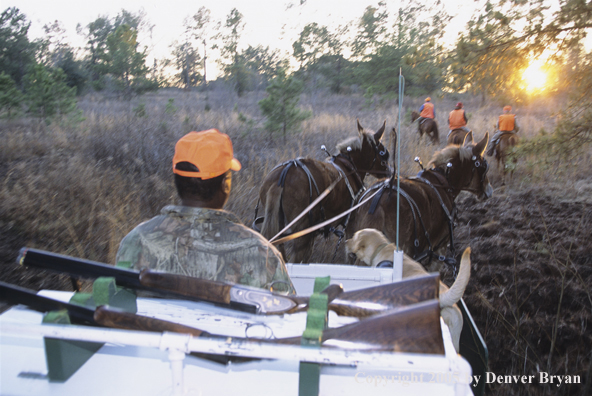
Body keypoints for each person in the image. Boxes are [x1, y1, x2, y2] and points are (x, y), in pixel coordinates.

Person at [115, 129, 295, 294]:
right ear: (225, 184)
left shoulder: (134, 241)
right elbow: (286, 315)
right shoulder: (261, 253)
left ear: (177, 181)